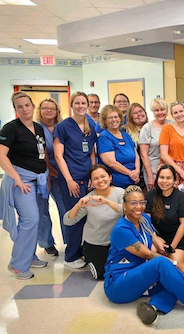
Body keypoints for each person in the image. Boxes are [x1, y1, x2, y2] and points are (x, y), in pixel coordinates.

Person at [104, 185, 184, 325]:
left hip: (138, 277)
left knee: (175, 278)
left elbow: (154, 237)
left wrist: (162, 246)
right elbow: (148, 254)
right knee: (165, 265)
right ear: (124, 205)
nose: (139, 207)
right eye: (133, 203)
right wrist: (176, 264)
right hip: (119, 285)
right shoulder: (121, 229)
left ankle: (152, 306)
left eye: (142, 202)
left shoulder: (144, 220)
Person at [0, 92, 49, 279]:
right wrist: (17, 179)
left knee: (34, 220)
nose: (24, 109)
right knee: (30, 219)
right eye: (19, 106)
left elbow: (41, 153)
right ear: (15, 109)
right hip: (21, 182)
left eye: (27, 105)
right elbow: (1, 155)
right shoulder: (10, 129)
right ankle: (18, 264)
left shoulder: (38, 128)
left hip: (38, 180)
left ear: (32, 106)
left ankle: (29, 256)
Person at [54, 91, 97, 269]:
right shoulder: (63, 126)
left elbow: (92, 152)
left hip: (87, 179)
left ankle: (82, 252)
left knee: (88, 217)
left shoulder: (89, 126)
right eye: (77, 103)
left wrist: (93, 175)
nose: (81, 106)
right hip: (72, 179)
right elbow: (58, 155)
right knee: (75, 217)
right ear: (71, 105)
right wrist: (69, 180)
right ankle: (70, 257)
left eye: (83, 103)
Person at [64, 164, 124, 279]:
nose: (100, 180)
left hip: (117, 243)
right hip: (95, 244)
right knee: (101, 275)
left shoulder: (120, 193)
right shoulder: (89, 198)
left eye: (103, 176)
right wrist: (78, 205)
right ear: (91, 182)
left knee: (122, 269)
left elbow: (127, 212)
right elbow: (68, 221)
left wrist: (106, 202)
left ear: (110, 177)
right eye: (95, 179)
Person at [35, 98, 65, 257]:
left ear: (57, 111)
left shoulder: (62, 127)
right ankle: (47, 243)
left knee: (65, 208)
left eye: (52, 108)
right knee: (43, 210)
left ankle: (69, 241)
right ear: (39, 111)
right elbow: (40, 155)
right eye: (45, 108)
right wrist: (51, 173)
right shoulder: (35, 128)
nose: (48, 111)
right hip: (42, 173)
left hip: (62, 173)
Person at [145, 165, 184, 266]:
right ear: (157, 179)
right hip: (157, 236)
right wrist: (156, 241)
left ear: (174, 180)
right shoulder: (150, 196)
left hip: (178, 239)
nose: (164, 181)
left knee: (175, 266)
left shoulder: (181, 198)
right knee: (150, 258)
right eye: (161, 177)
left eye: (168, 178)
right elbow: (146, 222)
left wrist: (171, 247)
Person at [159, 101, 184, 213]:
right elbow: (164, 154)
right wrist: (180, 172)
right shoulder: (167, 129)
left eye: (181, 111)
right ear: (172, 115)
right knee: (169, 205)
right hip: (170, 169)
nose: (179, 114)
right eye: (175, 112)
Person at [97, 105, 140, 188]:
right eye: (110, 118)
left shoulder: (126, 135)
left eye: (116, 117)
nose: (114, 120)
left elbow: (136, 155)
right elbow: (111, 163)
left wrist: (137, 170)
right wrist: (130, 173)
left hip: (133, 180)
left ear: (120, 119)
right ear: (105, 121)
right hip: (116, 183)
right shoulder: (104, 137)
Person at [139, 98, 173, 191]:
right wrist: (150, 176)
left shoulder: (173, 124)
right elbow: (144, 154)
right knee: (156, 200)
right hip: (153, 170)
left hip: (172, 169)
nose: (160, 112)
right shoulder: (147, 128)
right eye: (156, 110)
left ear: (167, 110)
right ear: (153, 112)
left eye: (162, 109)